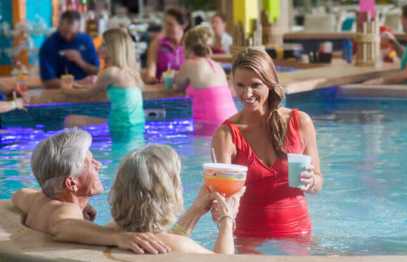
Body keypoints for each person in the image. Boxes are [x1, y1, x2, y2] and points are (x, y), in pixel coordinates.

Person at [211, 49, 323, 241]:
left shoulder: (300, 122)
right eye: (240, 85)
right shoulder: (227, 134)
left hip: (298, 233)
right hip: (247, 236)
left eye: (255, 85)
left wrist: (312, 181)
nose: (246, 93)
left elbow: (318, 182)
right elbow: (222, 197)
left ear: (270, 83)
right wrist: (217, 201)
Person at [11, 128, 169, 254]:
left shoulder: (40, 200)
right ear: (72, 183)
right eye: (90, 163)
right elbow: (61, 227)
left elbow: (19, 194)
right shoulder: (65, 209)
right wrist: (118, 237)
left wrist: (82, 205)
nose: (98, 165)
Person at [105, 144, 244, 253]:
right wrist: (227, 220)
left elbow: (167, 240)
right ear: (168, 192)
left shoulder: (109, 233)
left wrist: (196, 210)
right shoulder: (184, 247)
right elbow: (224, 259)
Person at [61, 28, 145, 132]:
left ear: (113, 49)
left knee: (70, 120)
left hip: (120, 126)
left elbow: (87, 94)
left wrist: (66, 89)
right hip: (137, 126)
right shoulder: (133, 72)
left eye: (104, 44)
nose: (99, 47)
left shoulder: (111, 72)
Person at [173, 26, 237, 135]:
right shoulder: (217, 65)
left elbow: (177, 85)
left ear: (187, 48)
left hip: (210, 125)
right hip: (233, 122)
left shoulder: (189, 64)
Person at [39, 11, 99, 89]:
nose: (68, 36)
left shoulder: (86, 41)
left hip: (86, 92)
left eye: (72, 33)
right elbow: (47, 82)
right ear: (59, 26)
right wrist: (79, 83)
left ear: (78, 29)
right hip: (60, 94)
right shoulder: (48, 45)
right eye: (64, 32)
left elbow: (96, 71)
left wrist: (80, 61)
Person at [143, 8, 188, 83]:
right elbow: (150, 73)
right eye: (165, 24)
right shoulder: (157, 43)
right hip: (163, 88)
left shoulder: (189, 44)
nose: (166, 28)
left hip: (184, 90)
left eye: (170, 24)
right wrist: (152, 79)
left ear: (183, 26)